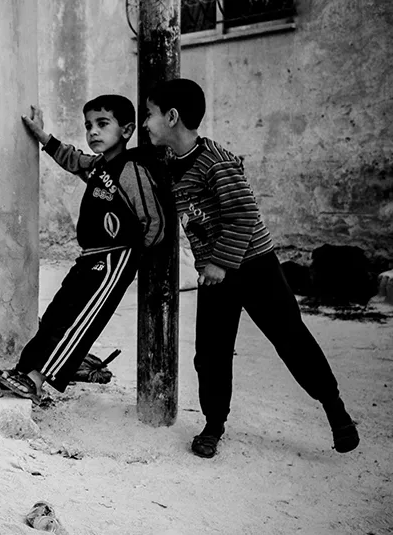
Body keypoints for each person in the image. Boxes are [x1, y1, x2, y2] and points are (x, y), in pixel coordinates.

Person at [143, 78, 360, 458]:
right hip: (216, 276)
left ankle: (335, 409)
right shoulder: (171, 164)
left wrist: (218, 263)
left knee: (291, 339)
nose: (145, 123)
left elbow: (243, 216)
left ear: (172, 117)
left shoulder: (217, 162)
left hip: (256, 267)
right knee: (210, 354)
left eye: (149, 114)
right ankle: (214, 424)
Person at [0, 96, 168, 404]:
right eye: (88, 125)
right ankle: (23, 372)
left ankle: (36, 380)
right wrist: (42, 136)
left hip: (114, 258)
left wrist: (137, 256)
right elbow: (72, 159)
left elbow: (154, 222)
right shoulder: (99, 166)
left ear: (126, 130)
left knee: (78, 322)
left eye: (102, 124)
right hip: (90, 257)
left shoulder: (130, 170)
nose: (93, 131)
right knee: (57, 314)